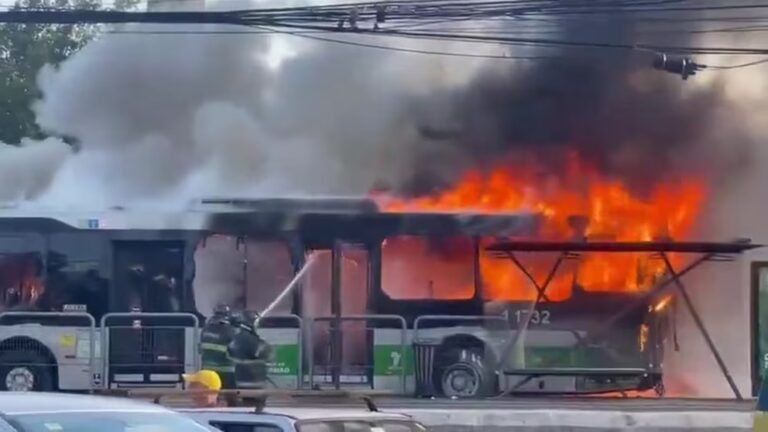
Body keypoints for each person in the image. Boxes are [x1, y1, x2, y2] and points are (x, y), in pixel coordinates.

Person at [200, 304, 238, 405]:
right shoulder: (229, 330)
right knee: (232, 397)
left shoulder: (206, 328)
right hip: (226, 368)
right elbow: (235, 349)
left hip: (208, 369)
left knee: (211, 396)